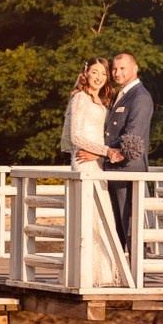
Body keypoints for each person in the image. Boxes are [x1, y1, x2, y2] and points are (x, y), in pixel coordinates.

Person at [59, 58, 126, 284]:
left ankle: (102, 274)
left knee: (102, 215)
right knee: (86, 217)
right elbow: (76, 136)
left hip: (97, 163)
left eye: (103, 74)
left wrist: (101, 154)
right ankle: (82, 274)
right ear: (85, 73)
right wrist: (107, 151)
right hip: (84, 162)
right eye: (95, 72)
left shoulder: (101, 101)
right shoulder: (79, 98)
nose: (99, 77)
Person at [100, 52, 155, 250]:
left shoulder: (140, 97)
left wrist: (101, 150)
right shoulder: (121, 95)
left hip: (127, 168)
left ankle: (138, 273)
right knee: (116, 224)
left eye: (122, 68)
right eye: (114, 69)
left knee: (130, 223)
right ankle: (123, 274)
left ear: (135, 68)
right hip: (114, 169)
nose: (117, 73)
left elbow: (133, 137)